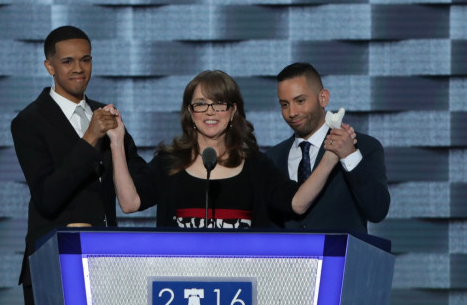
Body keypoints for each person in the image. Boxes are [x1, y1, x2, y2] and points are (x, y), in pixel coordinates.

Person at [10, 25, 152, 305]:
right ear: (49, 65)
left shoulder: (106, 116)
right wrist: (90, 138)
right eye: (68, 61)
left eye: (86, 59)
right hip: (53, 269)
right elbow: (48, 197)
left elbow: (139, 184)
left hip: (107, 269)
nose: (79, 69)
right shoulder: (29, 122)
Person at [113, 70, 344, 228]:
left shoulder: (256, 165)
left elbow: (297, 203)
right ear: (190, 112)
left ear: (233, 111)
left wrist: (331, 156)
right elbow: (130, 202)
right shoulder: (169, 162)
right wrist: (116, 141)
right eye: (201, 104)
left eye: (219, 104)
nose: (210, 112)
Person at [267, 62, 390, 233]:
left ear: (323, 98)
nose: (292, 112)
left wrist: (349, 156)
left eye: (300, 101)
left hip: (341, 259)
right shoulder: (272, 158)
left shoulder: (364, 146)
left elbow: (377, 211)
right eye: (284, 104)